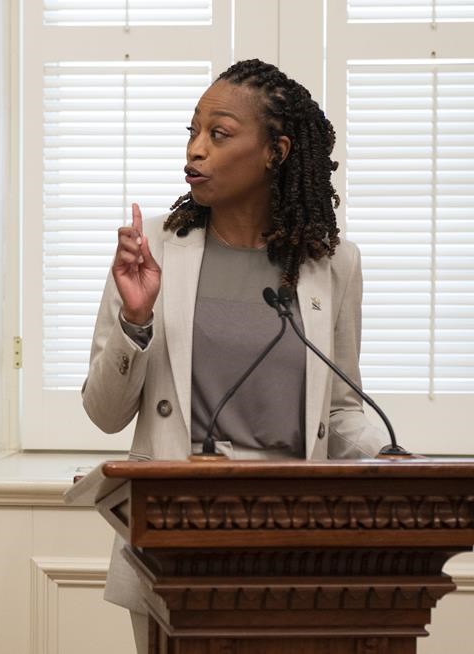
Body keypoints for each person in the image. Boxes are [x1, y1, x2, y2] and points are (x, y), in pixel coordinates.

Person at [81, 59, 389, 649]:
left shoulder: (333, 264)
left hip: (298, 543)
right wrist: (136, 319)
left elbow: (342, 408)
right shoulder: (154, 251)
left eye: (218, 135)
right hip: (174, 543)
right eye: (192, 132)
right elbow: (104, 413)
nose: (195, 151)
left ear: (276, 151)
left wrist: (393, 456)